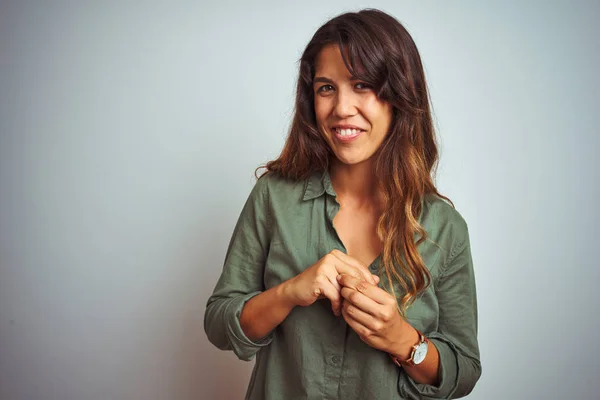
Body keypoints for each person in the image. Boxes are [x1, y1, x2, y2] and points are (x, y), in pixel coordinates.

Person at [204, 8, 481, 400]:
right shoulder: (273, 197)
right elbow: (219, 324)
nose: (341, 109)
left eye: (362, 85)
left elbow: (465, 370)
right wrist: (290, 291)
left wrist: (403, 340)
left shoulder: (445, 228)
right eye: (326, 88)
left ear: (400, 95)